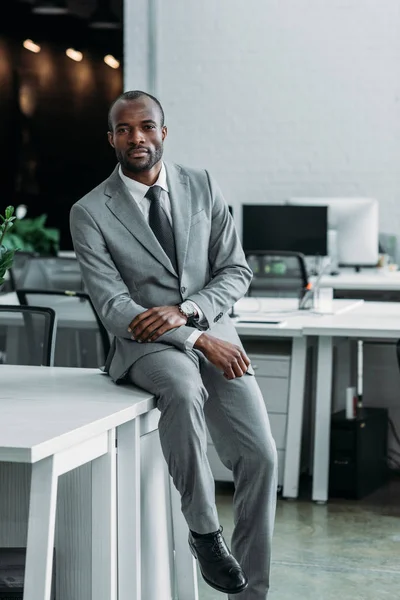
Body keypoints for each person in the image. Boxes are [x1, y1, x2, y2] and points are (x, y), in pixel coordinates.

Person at [70, 90, 278, 599]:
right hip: (146, 346)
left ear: (163, 131)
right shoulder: (91, 211)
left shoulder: (201, 185)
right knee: (184, 391)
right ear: (112, 138)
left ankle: (250, 595)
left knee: (261, 457)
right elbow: (114, 305)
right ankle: (205, 532)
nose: (135, 137)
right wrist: (195, 337)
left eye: (145, 127)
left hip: (211, 331)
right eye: (123, 129)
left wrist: (191, 313)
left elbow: (236, 269)